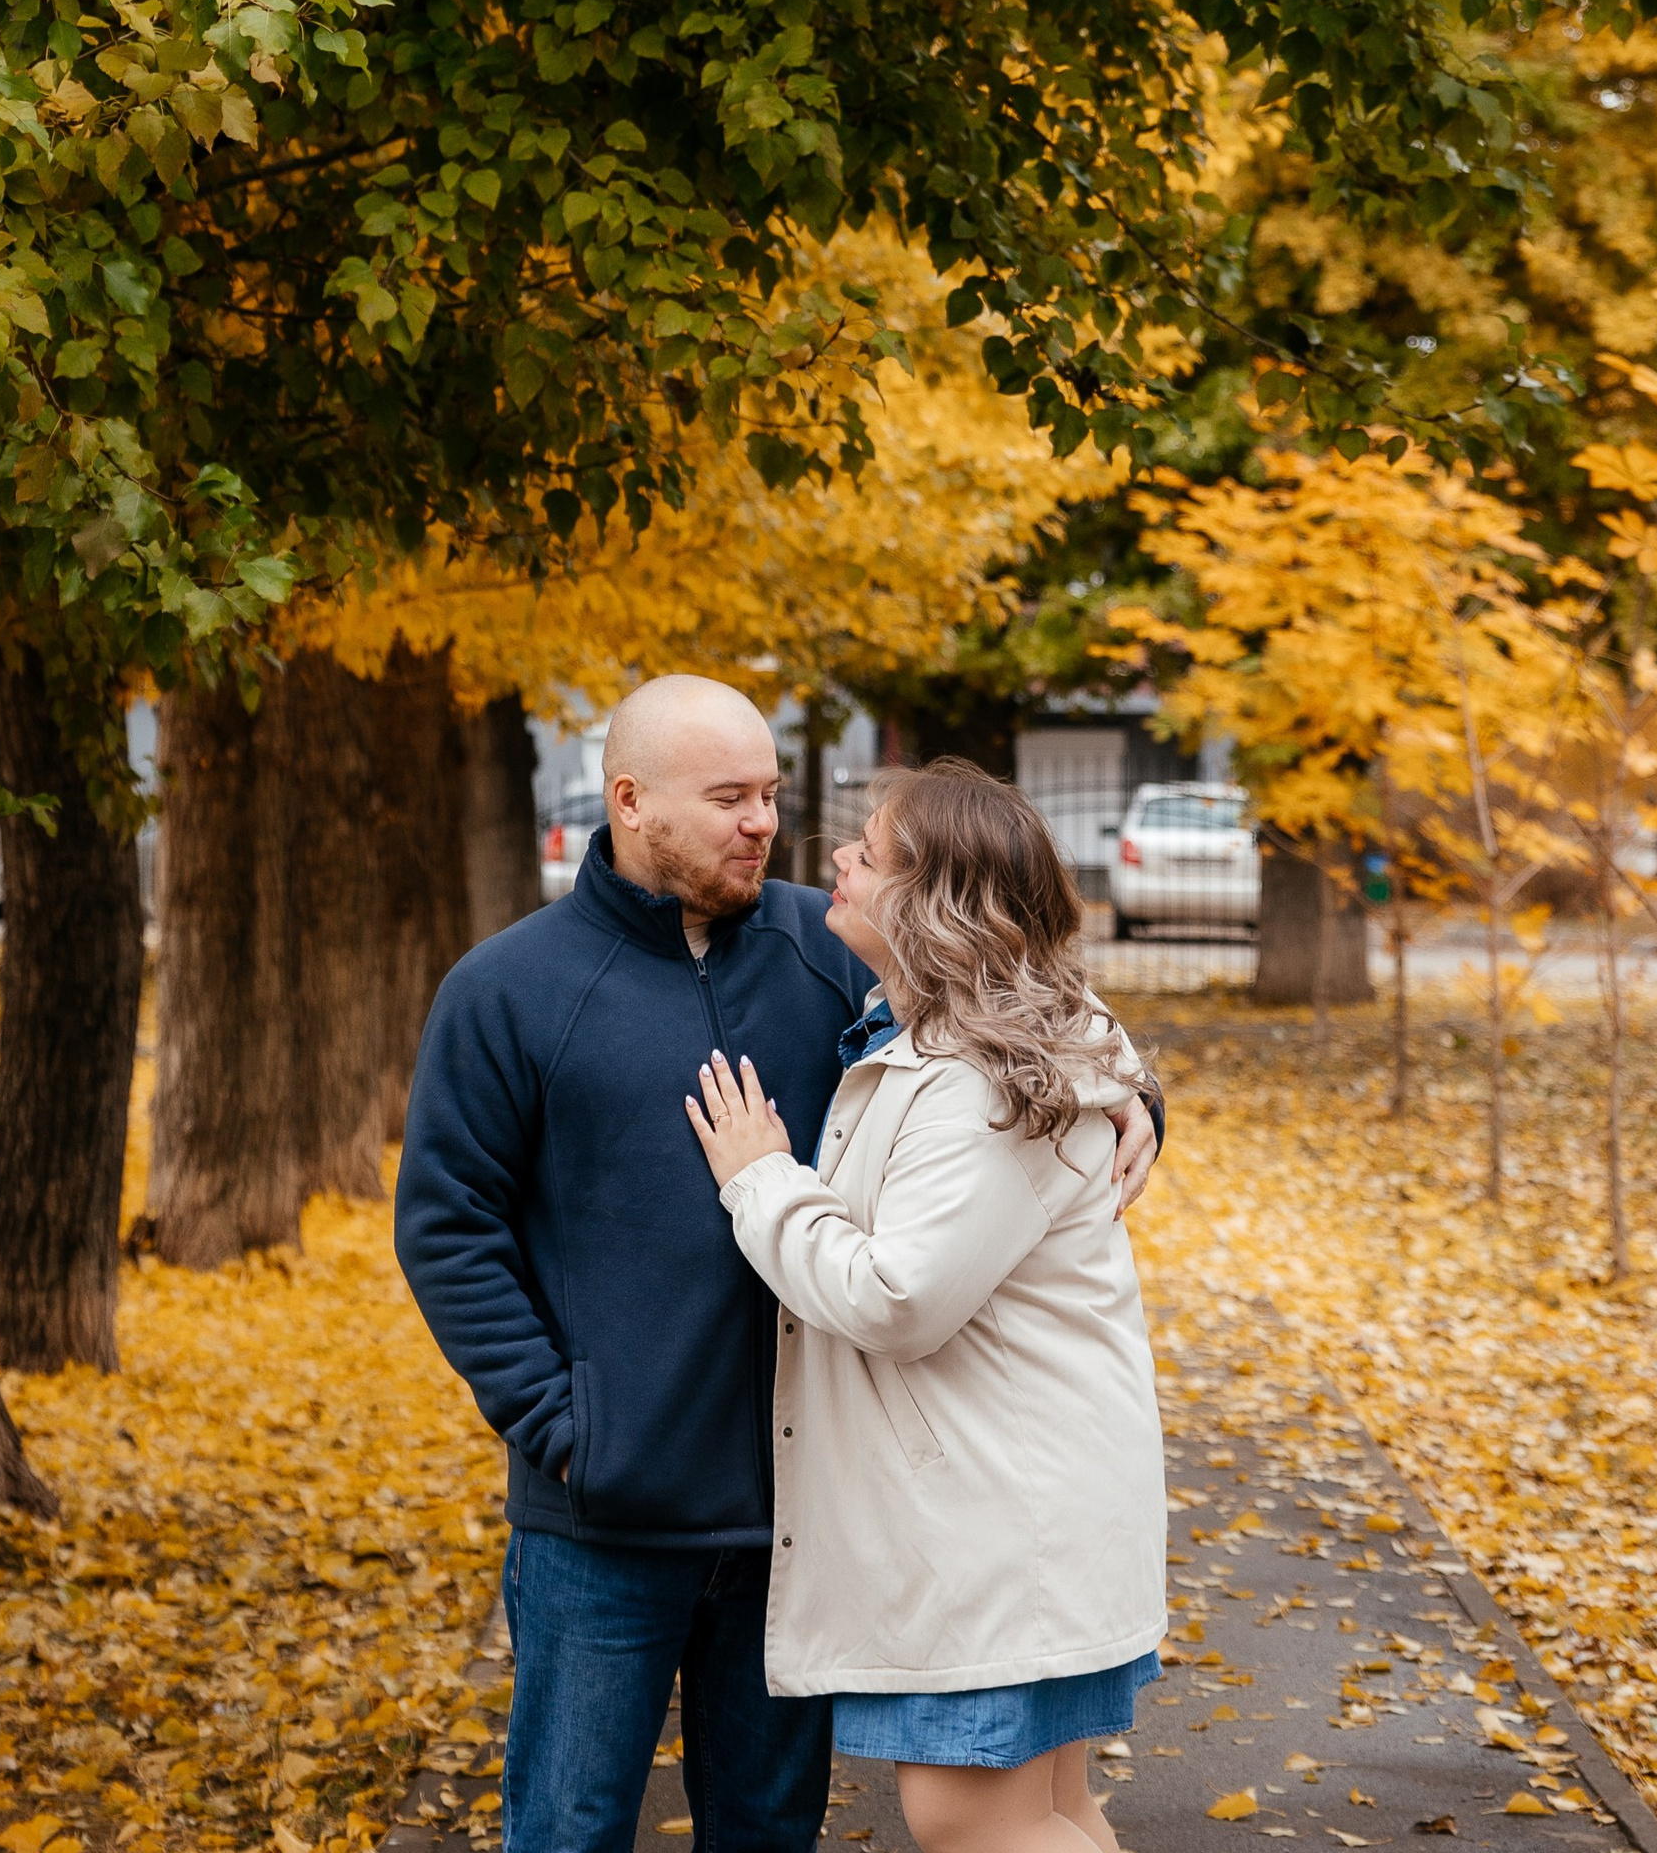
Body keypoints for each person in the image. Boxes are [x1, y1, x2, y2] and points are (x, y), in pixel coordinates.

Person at [394, 679, 1164, 1853]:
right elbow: (447, 1226)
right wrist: (563, 1426)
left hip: (798, 1521)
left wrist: (1136, 1093)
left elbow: (1024, 1000)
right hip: (601, 1522)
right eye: (727, 798)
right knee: (565, 1829)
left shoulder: (838, 943)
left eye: (767, 793)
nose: (763, 822)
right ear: (630, 801)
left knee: (766, 1833)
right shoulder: (507, 990)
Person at [684, 759, 1168, 1853]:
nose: (837, 861)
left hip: (999, 1520)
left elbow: (896, 1296)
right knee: (1049, 1812)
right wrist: (1138, 1087)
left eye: (870, 854)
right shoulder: (987, 1038)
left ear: (934, 906)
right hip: (1025, 1505)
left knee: (968, 1819)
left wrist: (759, 1179)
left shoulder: (975, 1081)